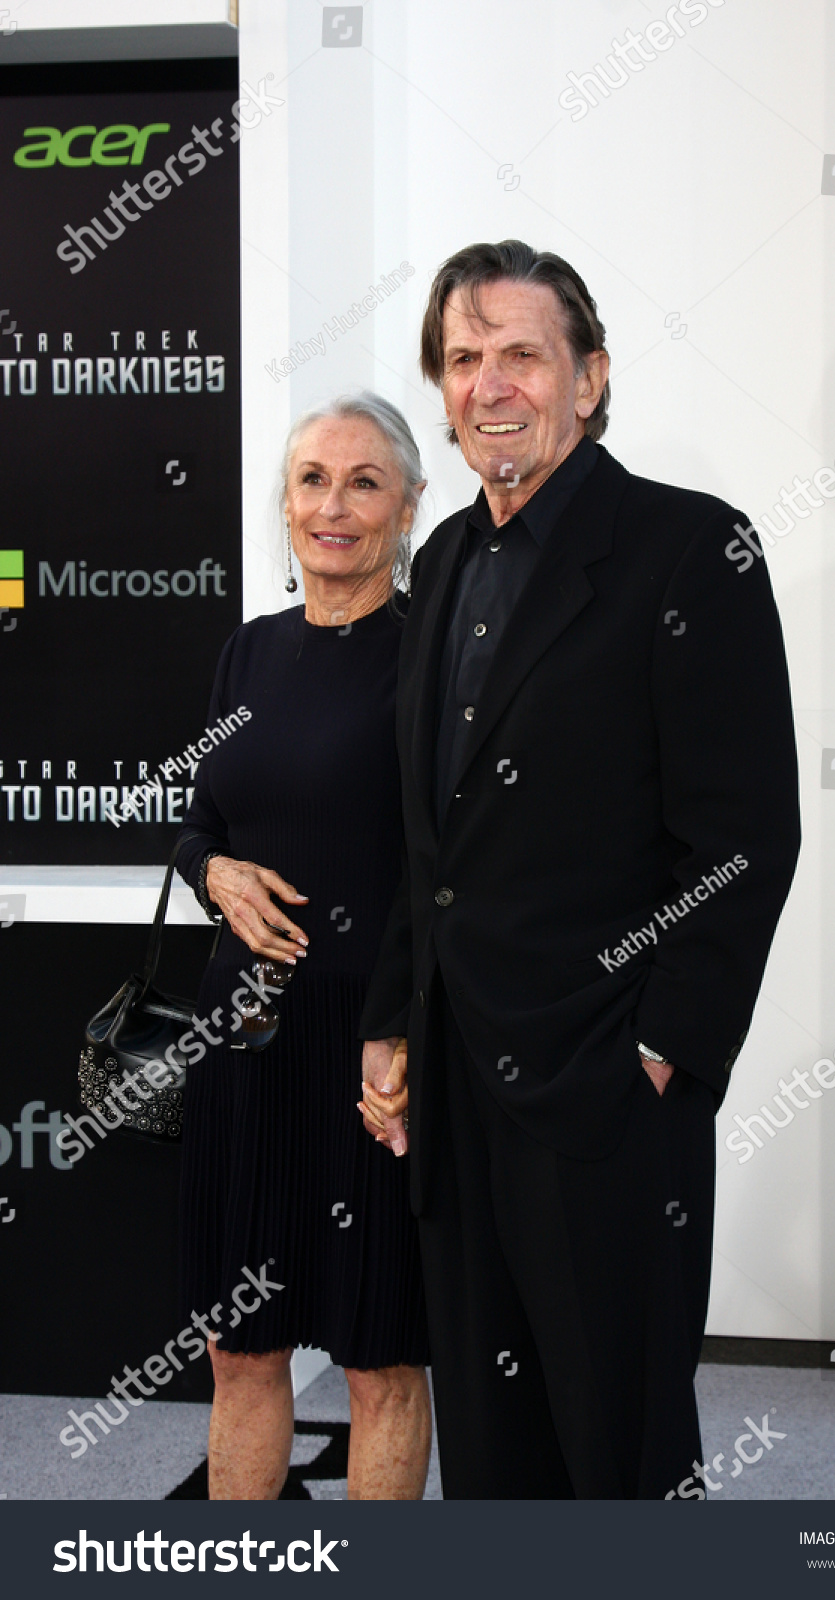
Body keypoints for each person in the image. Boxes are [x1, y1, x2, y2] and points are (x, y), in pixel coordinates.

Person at [358, 241, 801, 1499]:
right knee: (492, 1452)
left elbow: (745, 832)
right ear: (441, 396)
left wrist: (665, 1048)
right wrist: (391, 1018)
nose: (488, 384)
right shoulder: (439, 562)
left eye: (519, 355)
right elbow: (424, 835)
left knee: (619, 1442)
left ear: (588, 378)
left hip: (606, 1089)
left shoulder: (685, 548)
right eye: (461, 359)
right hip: (453, 1086)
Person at [175, 391, 431, 1500]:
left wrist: (408, 1029)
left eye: (365, 481)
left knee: (380, 1357)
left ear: (410, 508)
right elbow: (201, 822)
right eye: (313, 481)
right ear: (282, 505)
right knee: (243, 1348)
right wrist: (212, 872)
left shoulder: (436, 664)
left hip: (377, 1049)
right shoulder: (248, 654)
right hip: (242, 1042)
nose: (335, 504)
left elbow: (458, 870)